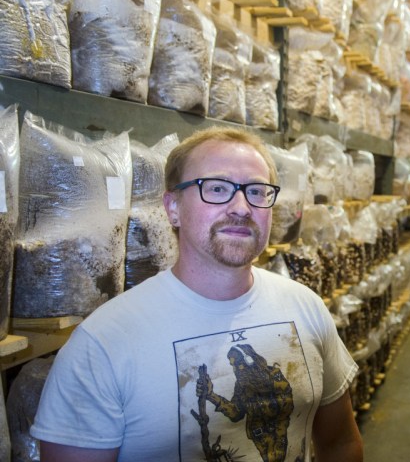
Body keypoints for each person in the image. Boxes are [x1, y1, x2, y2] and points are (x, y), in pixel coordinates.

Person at [31, 127, 364, 462]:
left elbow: (341, 444)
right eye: (217, 188)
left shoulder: (305, 307)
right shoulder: (103, 344)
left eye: (257, 191)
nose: (241, 207)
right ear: (173, 207)